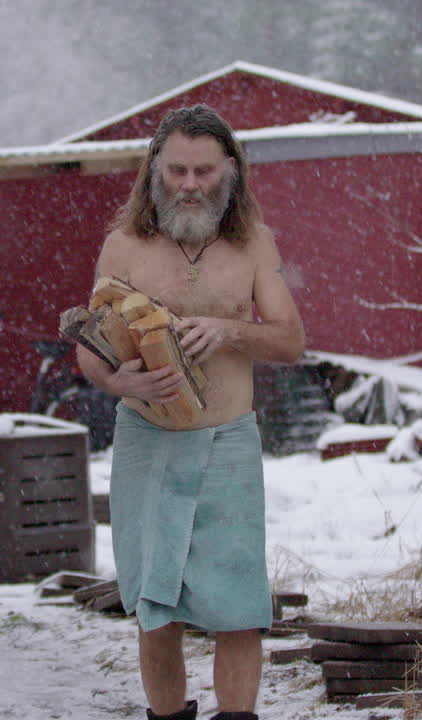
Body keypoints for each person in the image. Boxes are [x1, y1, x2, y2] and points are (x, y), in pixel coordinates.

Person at [76, 104, 305, 720]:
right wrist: (117, 376)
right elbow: (88, 348)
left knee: (238, 609)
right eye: (177, 169)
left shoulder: (253, 245)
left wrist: (231, 332)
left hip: (228, 442)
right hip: (146, 439)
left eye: (204, 171)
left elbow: (290, 340)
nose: (189, 184)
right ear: (156, 168)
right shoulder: (123, 245)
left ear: (229, 170)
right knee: (155, 607)